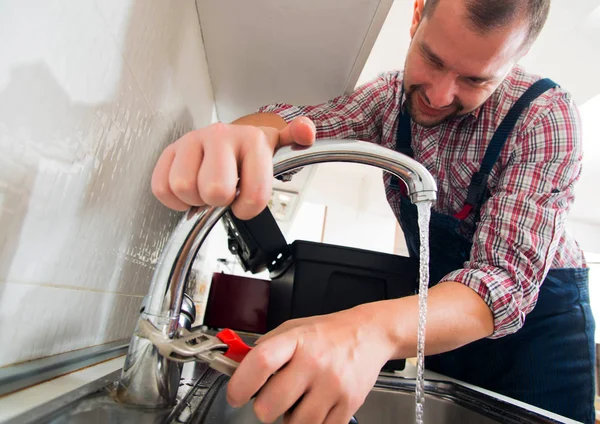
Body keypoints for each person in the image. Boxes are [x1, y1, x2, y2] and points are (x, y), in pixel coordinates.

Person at [151, 0, 596, 422]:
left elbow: (503, 282)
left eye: (475, 80)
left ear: (514, 61)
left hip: (543, 336)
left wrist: (371, 330)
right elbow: (295, 129)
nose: (440, 95)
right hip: (443, 323)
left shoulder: (545, 117)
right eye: (433, 59)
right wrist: (240, 138)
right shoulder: (388, 101)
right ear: (418, 14)